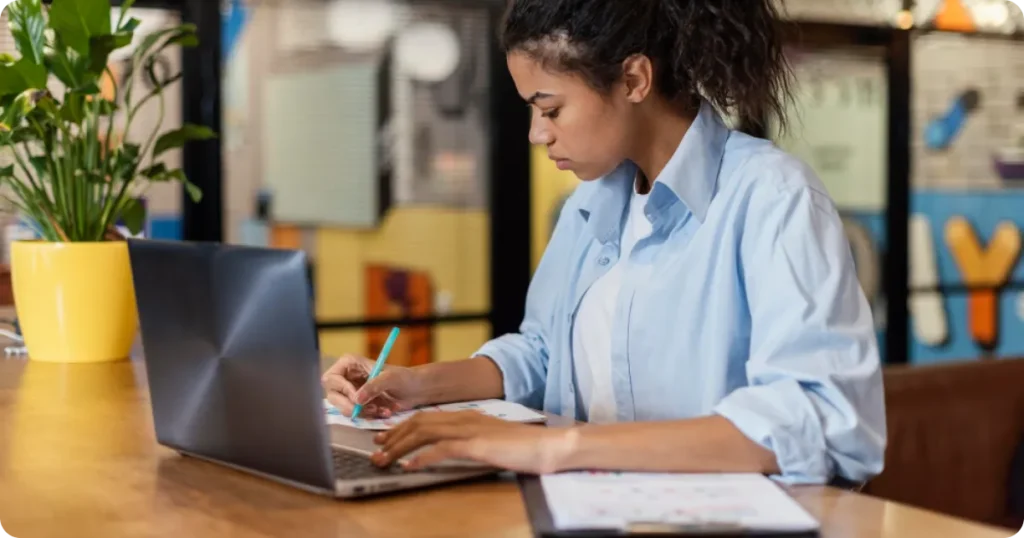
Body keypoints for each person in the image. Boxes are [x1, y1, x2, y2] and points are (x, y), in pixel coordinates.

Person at [322, 0, 886, 485]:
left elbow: (820, 417)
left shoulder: (770, 197)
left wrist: (556, 449)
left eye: (551, 109)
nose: (537, 134)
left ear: (634, 80)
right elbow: (544, 352)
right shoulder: (588, 206)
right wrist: (415, 385)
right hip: (591, 505)